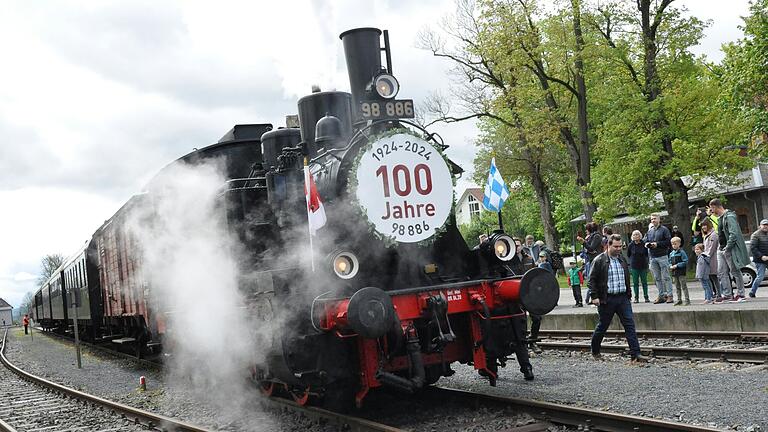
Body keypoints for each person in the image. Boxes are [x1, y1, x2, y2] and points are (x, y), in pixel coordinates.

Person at [588, 234, 648, 363]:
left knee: (630, 325)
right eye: (616, 246)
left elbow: (626, 277)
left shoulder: (621, 259)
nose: (619, 249)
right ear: (608, 245)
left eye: (620, 246)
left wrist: (628, 293)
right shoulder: (599, 260)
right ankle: (595, 350)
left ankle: (635, 354)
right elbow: (591, 280)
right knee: (603, 326)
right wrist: (594, 296)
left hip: (622, 298)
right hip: (607, 299)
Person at [709, 198, 750, 302]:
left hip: (728, 249)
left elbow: (734, 234)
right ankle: (727, 295)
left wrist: (728, 247)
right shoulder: (720, 218)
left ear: (715, 207)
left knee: (735, 271)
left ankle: (741, 294)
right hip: (721, 248)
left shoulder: (729, 216)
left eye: (712, 209)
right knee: (722, 272)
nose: (712, 211)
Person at [644, 213, 673, 304]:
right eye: (652, 219)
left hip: (662, 255)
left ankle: (670, 295)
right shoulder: (650, 231)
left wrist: (657, 244)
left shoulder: (664, 230)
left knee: (666, 277)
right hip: (653, 257)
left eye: (655, 219)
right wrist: (647, 244)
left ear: (659, 219)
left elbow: (669, 242)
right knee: (657, 278)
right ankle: (661, 295)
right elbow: (646, 240)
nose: (653, 220)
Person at [577, 222, 603, 305]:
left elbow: (591, 248)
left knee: (595, 279)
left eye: (587, 229)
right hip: (591, 259)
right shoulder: (591, 236)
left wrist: (584, 242)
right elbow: (589, 249)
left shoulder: (596, 236)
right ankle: (593, 297)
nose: (586, 231)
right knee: (592, 279)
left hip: (596, 260)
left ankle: (597, 297)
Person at [626, 230, 650, 303]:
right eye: (634, 235)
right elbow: (628, 254)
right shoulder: (631, 245)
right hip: (634, 266)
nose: (636, 236)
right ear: (632, 236)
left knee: (644, 282)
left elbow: (646, 254)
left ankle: (646, 297)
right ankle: (636, 297)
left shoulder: (644, 244)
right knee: (635, 283)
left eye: (637, 234)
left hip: (643, 265)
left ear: (640, 236)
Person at [701, 219, 722, 300]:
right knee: (711, 277)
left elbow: (711, 248)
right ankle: (715, 294)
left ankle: (719, 294)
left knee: (714, 277)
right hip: (708, 259)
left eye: (705, 225)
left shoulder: (713, 235)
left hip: (712, 259)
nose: (703, 227)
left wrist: (705, 256)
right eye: (702, 226)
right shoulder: (707, 235)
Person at [749, 219, 768, 298]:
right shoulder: (755, 235)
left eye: (767, 225)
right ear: (760, 226)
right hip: (760, 260)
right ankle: (752, 292)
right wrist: (761, 256)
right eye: (764, 225)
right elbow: (753, 248)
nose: (765, 226)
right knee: (760, 277)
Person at [668, 237, 690, 306]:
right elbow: (669, 261)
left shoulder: (682, 252)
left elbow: (685, 261)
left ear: (679, 244)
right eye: (672, 244)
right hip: (674, 272)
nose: (674, 245)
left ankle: (687, 300)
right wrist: (670, 265)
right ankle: (679, 299)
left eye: (675, 244)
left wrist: (677, 265)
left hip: (681, 272)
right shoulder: (671, 253)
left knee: (683, 286)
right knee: (677, 287)